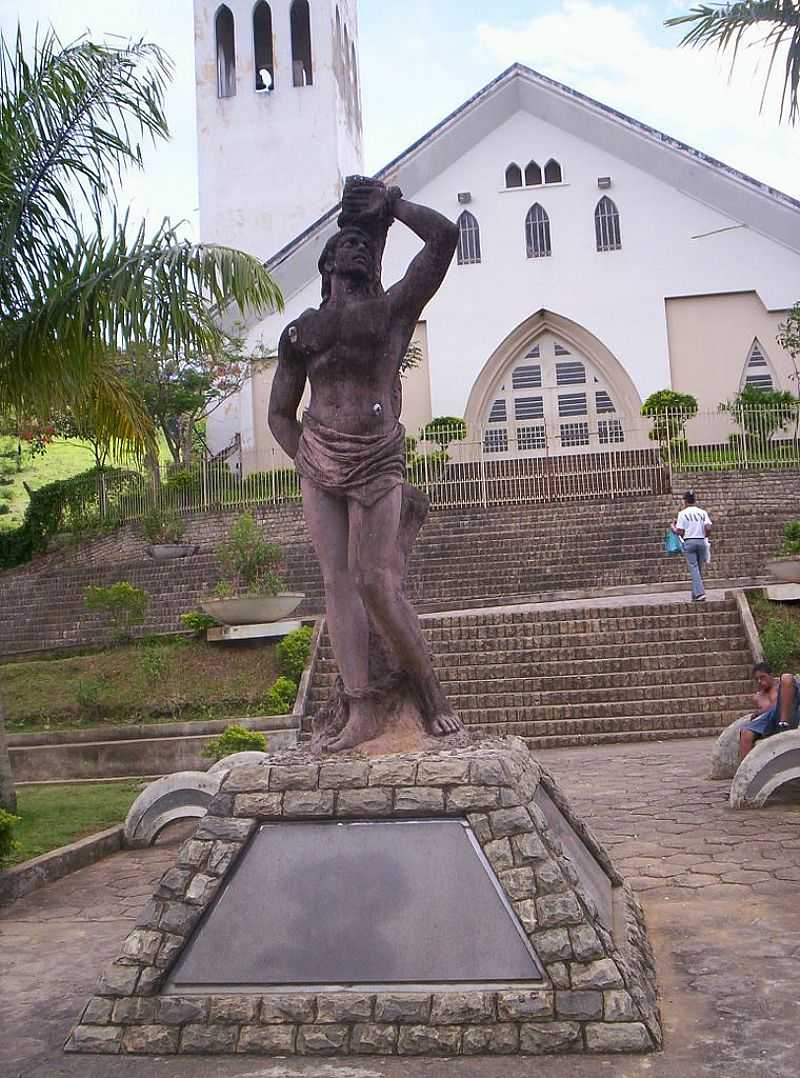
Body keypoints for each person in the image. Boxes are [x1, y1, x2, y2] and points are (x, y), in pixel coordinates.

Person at [268, 176, 463, 752]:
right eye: (345, 242)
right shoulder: (303, 330)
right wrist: (305, 453)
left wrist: (394, 205)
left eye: (365, 243)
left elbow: (444, 239)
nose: (355, 246)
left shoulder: (392, 310)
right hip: (319, 457)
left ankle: (432, 697)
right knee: (338, 583)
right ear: (327, 260)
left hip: (377, 456)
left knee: (378, 582)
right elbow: (281, 412)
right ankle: (361, 709)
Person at [739, 662, 800, 758]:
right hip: (771, 722)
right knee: (745, 732)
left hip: (788, 715)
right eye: (757, 679)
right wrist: (758, 714)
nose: (759, 681)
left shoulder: (782, 687)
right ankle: (745, 770)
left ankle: (783, 723)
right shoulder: (757, 697)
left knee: (786, 677)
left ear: (771, 675)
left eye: (762, 677)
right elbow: (764, 717)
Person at [671, 490, 712, 601]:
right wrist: (704, 535)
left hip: (689, 542)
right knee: (698, 569)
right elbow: (708, 527)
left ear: (685, 501)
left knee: (693, 569)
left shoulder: (682, 514)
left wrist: (673, 528)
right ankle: (695, 595)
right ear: (694, 500)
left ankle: (699, 593)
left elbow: (680, 531)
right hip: (701, 542)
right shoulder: (702, 512)